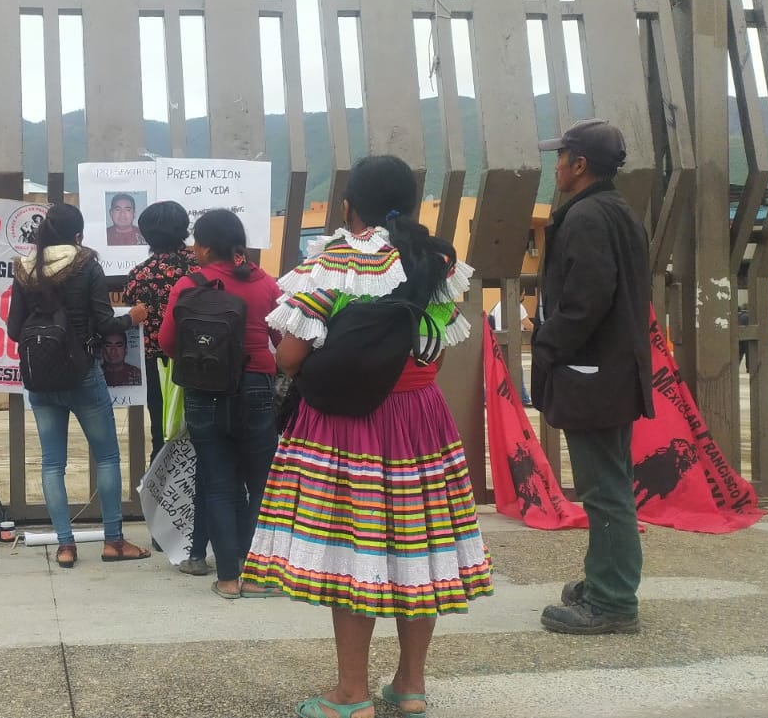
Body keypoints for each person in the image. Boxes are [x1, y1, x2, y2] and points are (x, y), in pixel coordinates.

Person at [244, 156, 492, 718]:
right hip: (421, 422)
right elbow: (437, 346)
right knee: (415, 548)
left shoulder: (336, 261)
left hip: (348, 427)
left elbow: (288, 357)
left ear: (350, 206)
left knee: (353, 552)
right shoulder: (438, 260)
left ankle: (351, 694)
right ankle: (409, 685)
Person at [531, 119, 653, 636]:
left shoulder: (584, 216)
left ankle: (611, 600)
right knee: (610, 483)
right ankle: (605, 580)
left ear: (579, 164)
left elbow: (586, 300)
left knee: (604, 489)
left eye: (560, 157)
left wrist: (548, 341)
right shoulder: (618, 211)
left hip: (594, 374)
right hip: (614, 371)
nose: (555, 165)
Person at [6, 204, 153, 568]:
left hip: (39, 378)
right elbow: (104, 323)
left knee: (52, 464)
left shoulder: (25, 267)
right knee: (106, 456)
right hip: (83, 374)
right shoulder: (86, 263)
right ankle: (114, 542)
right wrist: (131, 317)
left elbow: (13, 330)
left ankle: (65, 546)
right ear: (77, 236)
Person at [160, 210, 283, 599]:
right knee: (260, 482)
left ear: (207, 247)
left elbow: (167, 343)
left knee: (218, 484)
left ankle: (228, 578)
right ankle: (259, 571)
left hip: (206, 392)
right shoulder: (267, 284)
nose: (193, 250)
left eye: (196, 243)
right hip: (258, 388)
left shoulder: (189, 284)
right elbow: (282, 335)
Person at [122, 201, 207, 574]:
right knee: (205, 443)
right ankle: (204, 523)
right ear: (184, 228)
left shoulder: (140, 275)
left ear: (145, 234)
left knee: (163, 441)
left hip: (158, 369)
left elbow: (130, 308)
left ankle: (164, 530)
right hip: (205, 366)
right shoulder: (200, 269)